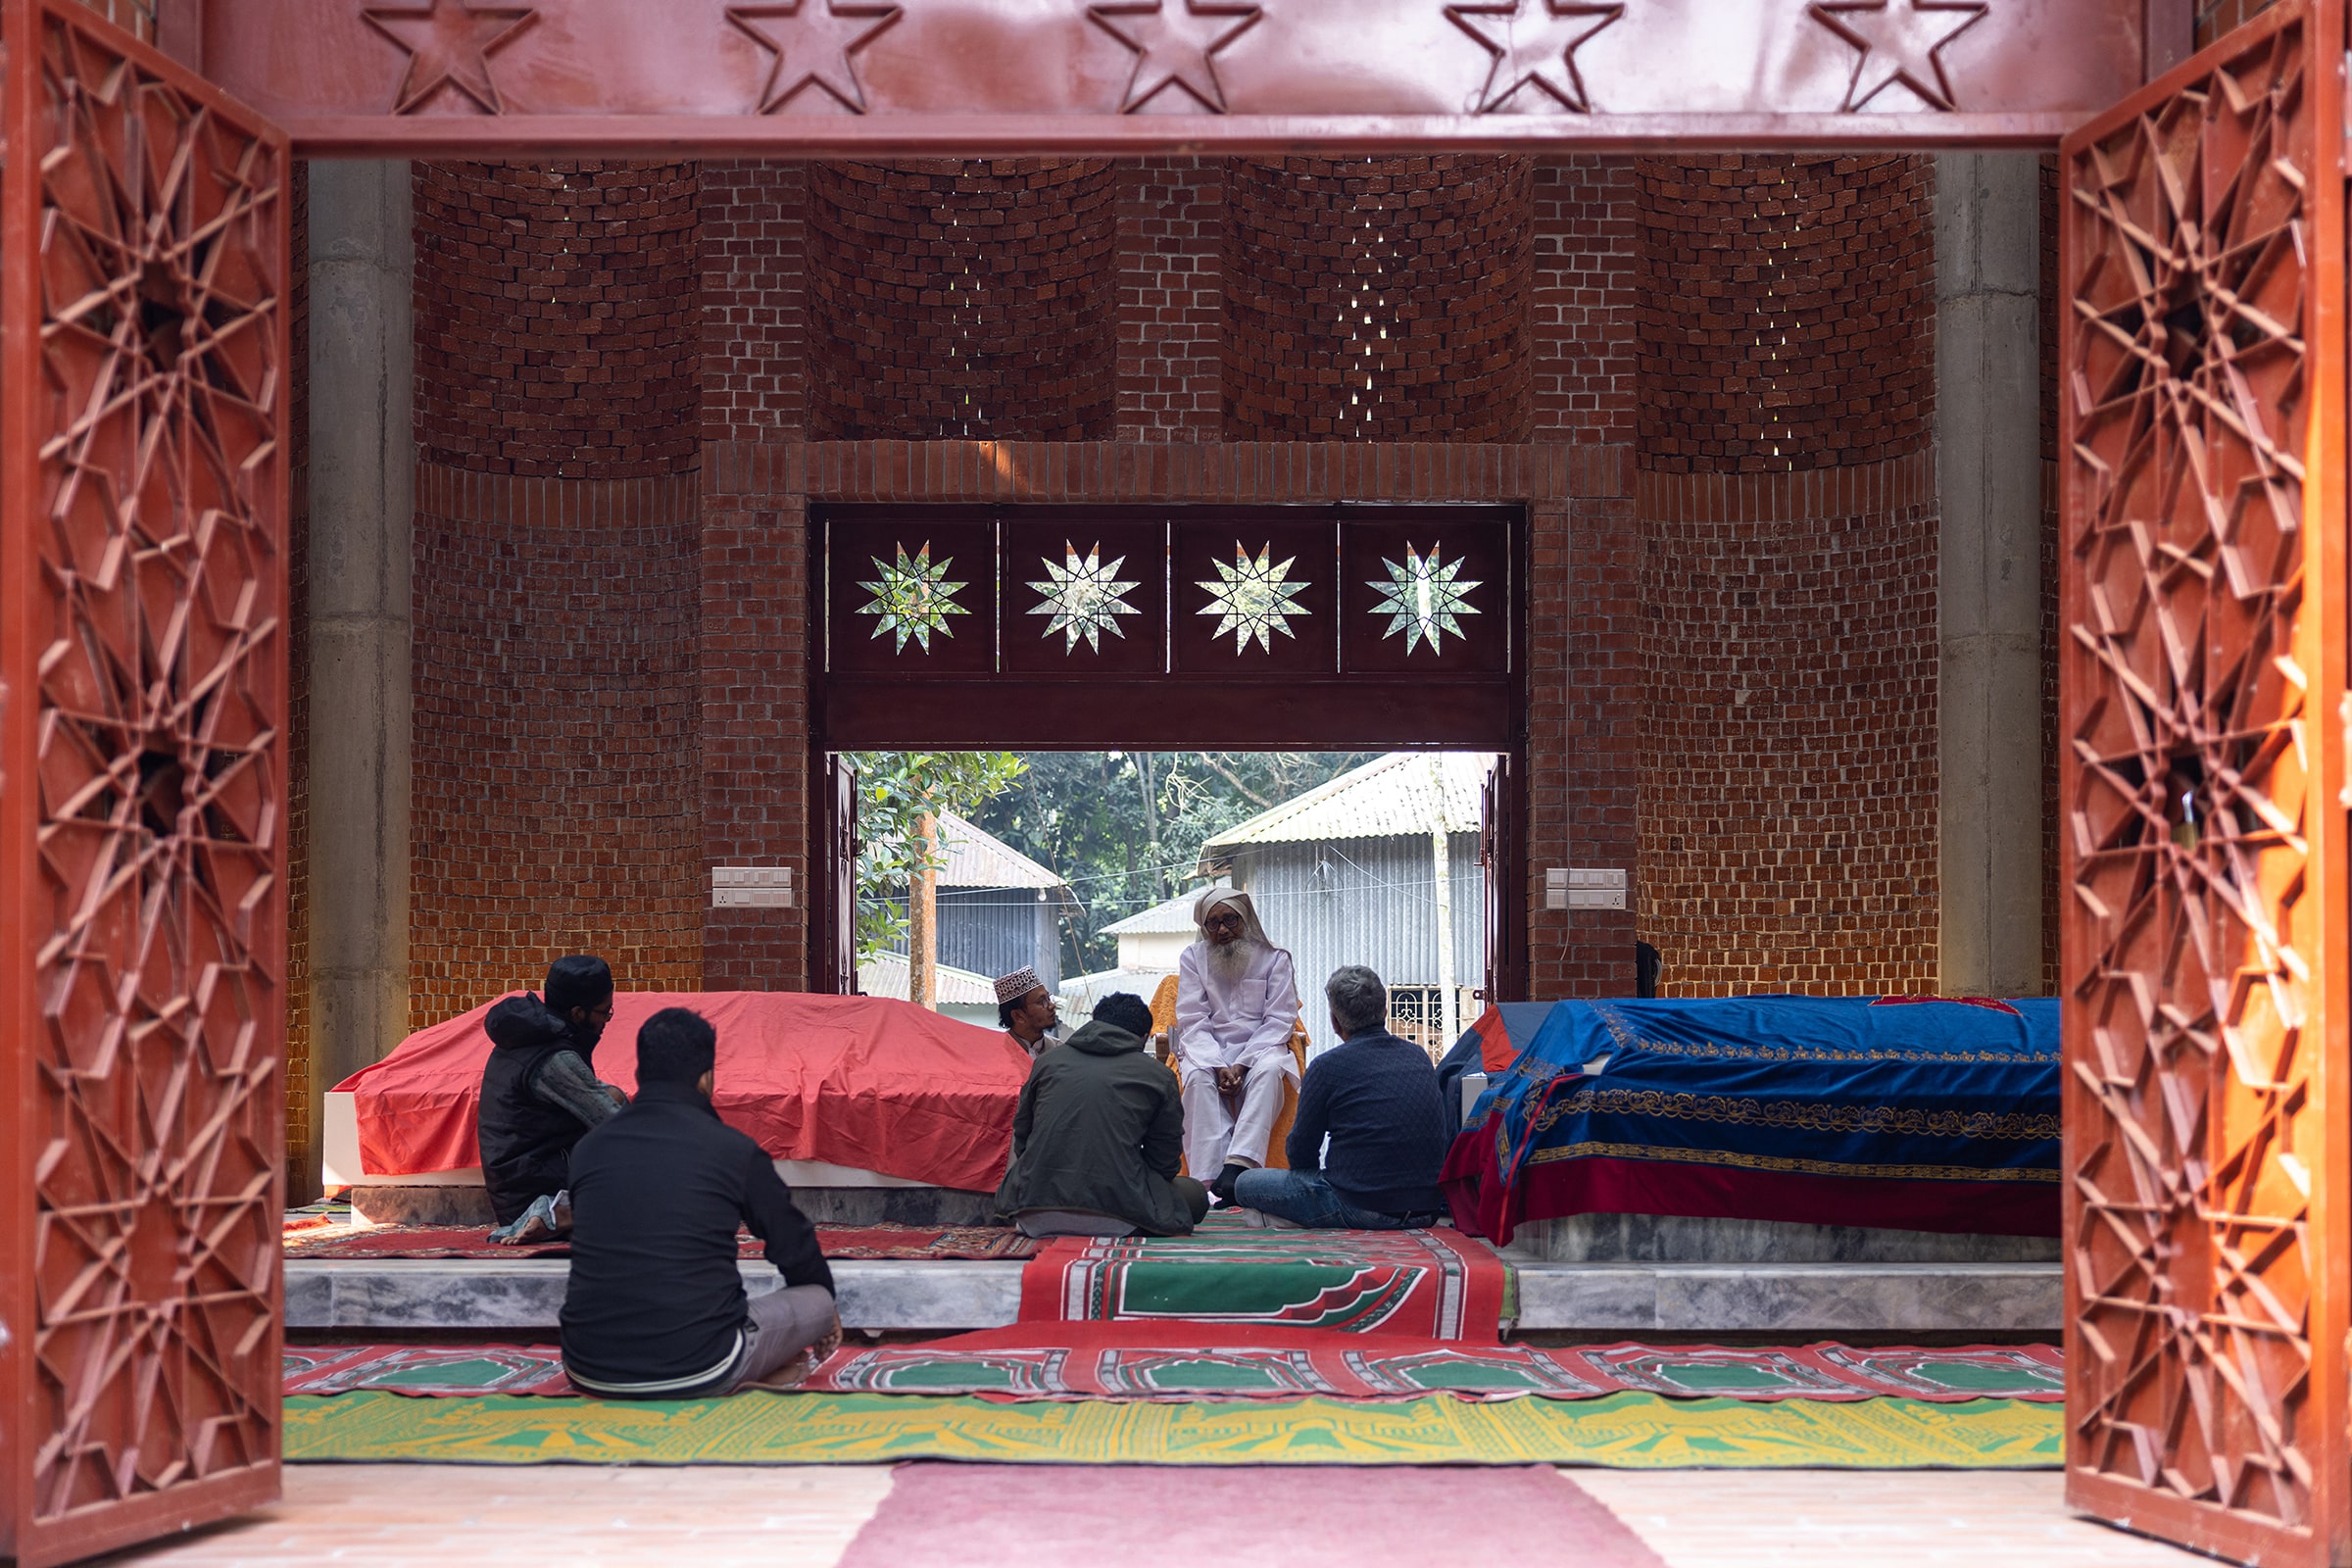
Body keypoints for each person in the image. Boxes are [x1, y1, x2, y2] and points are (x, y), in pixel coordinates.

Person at [559, 1006, 841, 1397]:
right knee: (817, 1300)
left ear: (640, 1074)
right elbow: (793, 1243)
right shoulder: (730, 1150)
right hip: (703, 1364)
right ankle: (765, 1370)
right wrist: (827, 1314)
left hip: (588, 1368)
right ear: (706, 1079)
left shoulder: (589, 1149)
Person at [1232, 966, 1450, 1230]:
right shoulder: (1419, 1057)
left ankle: (1293, 1218)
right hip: (1426, 1210)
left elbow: (1301, 1149)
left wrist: (1308, 1188)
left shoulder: (1327, 1067)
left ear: (1335, 1022)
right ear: (1384, 1012)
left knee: (1245, 1183)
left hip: (1361, 1207)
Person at [992, 992, 1209, 1239]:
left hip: (1032, 1213)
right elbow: (1164, 1163)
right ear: (1141, 1038)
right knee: (1194, 1195)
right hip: (1119, 1217)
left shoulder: (1047, 1063)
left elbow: (1023, 1137)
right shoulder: (1158, 1076)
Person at [478, 954, 628, 1244]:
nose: (608, 1020)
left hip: (520, 1181)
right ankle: (559, 1214)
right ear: (576, 1014)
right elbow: (616, 1124)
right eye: (604, 1012)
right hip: (534, 1192)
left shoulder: (530, 1036)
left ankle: (568, 1216)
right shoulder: (555, 1058)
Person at [1171, 886, 1299, 1204]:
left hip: (1261, 1049)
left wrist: (1241, 1064)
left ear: (1245, 919)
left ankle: (1238, 1167)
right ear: (1204, 928)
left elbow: (1280, 1019)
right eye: (1213, 924)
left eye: (1230, 919)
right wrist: (1217, 1064)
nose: (1223, 930)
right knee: (1198, 1080)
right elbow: (1192, 1019)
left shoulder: (1274, 958)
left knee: (1270, 1071)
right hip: (1207, 1051)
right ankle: (1208, 1186)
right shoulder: (1192, 958)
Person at [995, 966, 1059, 1059]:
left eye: (1048, 998)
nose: (1051, 1006)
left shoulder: (1060, 1051)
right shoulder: (997, 1055)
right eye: (1041, 1001)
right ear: (1018, 1016)